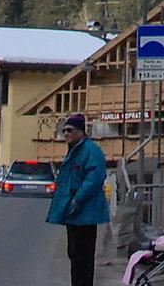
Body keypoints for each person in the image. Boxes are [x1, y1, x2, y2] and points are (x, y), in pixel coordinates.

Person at [46, 113, 110, 286]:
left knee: (82, 257)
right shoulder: (76, 151)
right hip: (75, 214)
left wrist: (78, 199)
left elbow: (95, 177)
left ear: (81, 132)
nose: (66, 134)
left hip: (86, 214)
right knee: (74, 254)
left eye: (70, 130)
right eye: (64, 130)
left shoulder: (90, 151)